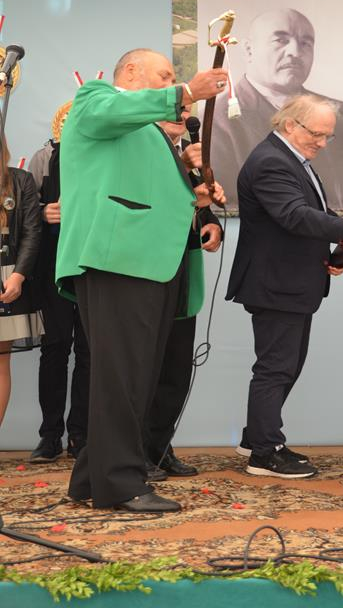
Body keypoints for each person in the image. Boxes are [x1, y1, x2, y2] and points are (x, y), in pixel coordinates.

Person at [56, 48, 228, 512]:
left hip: (151, 261)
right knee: (124, 376)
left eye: (174, 79)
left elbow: (151, 193)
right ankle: (120, 484)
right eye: (165, 75)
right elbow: (110, 114)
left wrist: (195, 193)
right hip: (118, 258)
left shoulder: (149, 132)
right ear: (131, 72)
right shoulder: (95, 99)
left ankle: (92, 478)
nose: (172, 84)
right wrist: (187, 90)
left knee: (134, 376)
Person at [226, 93, 343, 479]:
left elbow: (315, 213)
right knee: (276, 368)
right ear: (290, 125)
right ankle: (265, 454)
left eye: (327, 136)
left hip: (290, 281)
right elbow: (294, 216)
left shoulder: (289, 158)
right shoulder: (271, 162)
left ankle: (257, 437)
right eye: (316, 134)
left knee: (285, 365)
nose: (322, 143)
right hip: (276, 283)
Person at [211, 8, 343, 211]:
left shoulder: (342, 114)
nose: (295, 52)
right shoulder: (217, 120)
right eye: (280, 40)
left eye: (306, 43)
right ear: (249, 50)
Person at [143, 101, 223, 480]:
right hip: (148, 274)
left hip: (182, 273)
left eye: (186, 108)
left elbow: (197, 205)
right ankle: (134, 451)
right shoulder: (141, 148)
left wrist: (211, 223)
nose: (181, 114)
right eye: (174, 107)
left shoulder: (189, 155)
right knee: (145, 368)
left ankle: (160, 448)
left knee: (176, 368)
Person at [28, 112, 90, 464]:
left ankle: (81, 435)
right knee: (54, 348)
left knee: (90, 351)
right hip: (53, 265)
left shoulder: (106, 153)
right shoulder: (45, 156)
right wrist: (42, 211)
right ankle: (50, 435)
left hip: (95, 266)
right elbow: (24, 210)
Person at [0, 136, 43, 428]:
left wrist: (18, 275)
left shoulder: (20, 180)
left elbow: (31, 231)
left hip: (8, 278)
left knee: (0, 361)